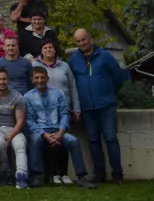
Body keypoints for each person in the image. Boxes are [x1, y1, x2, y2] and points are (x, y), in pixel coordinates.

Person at [25, 66, 96, 188]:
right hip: (41, 132)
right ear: (32, 79)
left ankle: (81, 177)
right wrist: (45, 135)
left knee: (73, 141)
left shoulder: (58, 93)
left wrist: (61, 133)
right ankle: (37, 176)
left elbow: (64, 114)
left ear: (47, 78)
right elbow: (30, 121)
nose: (40, 80)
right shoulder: (27, 97)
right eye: (36, 78)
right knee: (35, 140)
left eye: (42, 77)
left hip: (58, 130)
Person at [70, 28, 126, 184]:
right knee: (93, 140)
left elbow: (119, 78)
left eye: (84, 39)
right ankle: (99, 174)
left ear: (90, 38)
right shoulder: (74, 60)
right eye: (78, 41)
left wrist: (108, 93)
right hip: (87, 108)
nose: (82, 43)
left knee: (111, 139)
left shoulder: (105, 56)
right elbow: (72, 83)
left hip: (106, 105)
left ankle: (117, 174)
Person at [0, 67, 29, 188]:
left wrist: (11, 135)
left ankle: (21, 176)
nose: (1, 82)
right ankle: (5, 173)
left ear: (8, 80)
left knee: (20, 144)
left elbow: (20, 120)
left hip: (13, 128)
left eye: (4, 79)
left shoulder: (17, 97)